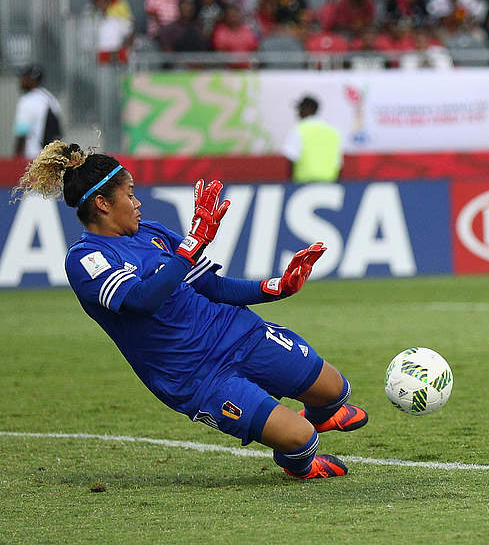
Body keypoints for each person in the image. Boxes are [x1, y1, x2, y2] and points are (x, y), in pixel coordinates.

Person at [15, 143, 365, 479]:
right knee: (302, 440)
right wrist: (190, 248)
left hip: (239, 333)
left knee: (337, 391)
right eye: (130, 194)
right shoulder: (86, 258)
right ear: (103, 203)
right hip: (198, 376)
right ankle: (298, 464)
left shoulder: (150, 232)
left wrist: (276, 287)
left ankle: (322, 415)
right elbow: (141, 299)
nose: (138, 203)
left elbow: (212, 287)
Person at [282, 96, 342, 183]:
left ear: (309, 110)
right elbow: (338, 164)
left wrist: (290, 185)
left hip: (303, 184)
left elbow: (291, 160)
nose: (298, 113)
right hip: (329, 184)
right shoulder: (333, 132)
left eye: (300, 109)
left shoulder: (299, 130)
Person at [13, 67, 62, 159]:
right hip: (51, 157)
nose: (21, 80)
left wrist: (16, 159)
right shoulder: (51, 99)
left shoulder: (27, 101)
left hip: (32, 157)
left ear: (32, 79)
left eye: (24, 77)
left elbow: (22, 133)